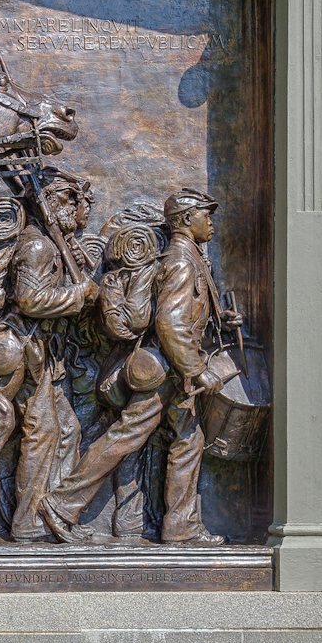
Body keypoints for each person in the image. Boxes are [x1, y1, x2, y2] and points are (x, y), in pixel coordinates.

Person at [43, 188, 239, 545]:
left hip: (174, 370)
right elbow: (169, 323)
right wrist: (196, 371)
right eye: (204, 214)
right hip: (169, 371)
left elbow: (187, 314)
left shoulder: (191, 257)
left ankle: (180, 526)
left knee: (187, 440)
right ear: (184, 220)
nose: (210, 221)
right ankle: (61, 503)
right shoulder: (181, 261)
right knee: (127, 436)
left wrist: (220, 318)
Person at [7, 169, 102, 541]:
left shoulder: (55, 244)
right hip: (24, 349)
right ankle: (27, 522)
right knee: (43, 431)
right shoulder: (37, 246)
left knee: (67, 429)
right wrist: (80, 294)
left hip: (48, 354)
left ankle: (54, 515)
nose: (77, 209)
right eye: (67, 200)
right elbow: (29, 300)